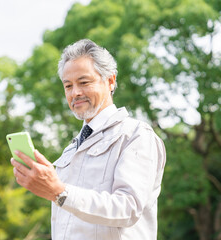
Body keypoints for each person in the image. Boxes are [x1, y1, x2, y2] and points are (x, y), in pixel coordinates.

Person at [10, 39, 166, 239]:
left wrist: (60, 191)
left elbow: (128, 208)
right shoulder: (70, 149)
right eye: (68, 86)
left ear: (110, 81)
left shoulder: (135, 135)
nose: (75, 93)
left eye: (84, 82)